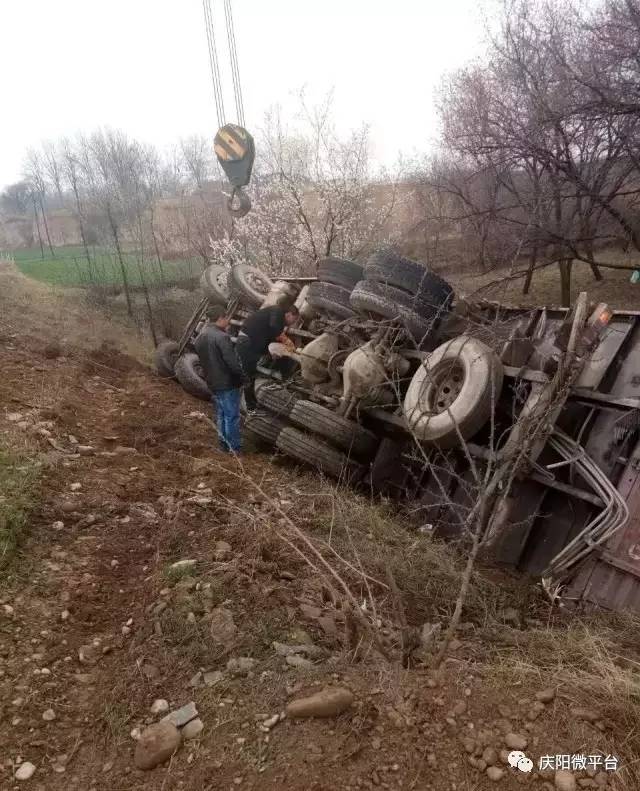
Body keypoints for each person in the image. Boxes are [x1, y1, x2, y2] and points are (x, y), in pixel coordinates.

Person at [194, 304, 244, 454]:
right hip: (227, 382)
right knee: (232, 416)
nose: (228, 321)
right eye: (227, 318)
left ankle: (223, 445)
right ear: (220, 318)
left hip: (212, 382)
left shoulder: (200, 337)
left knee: (221, 415)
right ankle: (234, 449)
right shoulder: (222, 337)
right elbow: (232, 363)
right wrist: (242, 377)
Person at [236, 304, 299, 410]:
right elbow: (274, 329)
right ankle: (250, 406)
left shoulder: (275, 316)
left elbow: (270, 335)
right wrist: (288, 342)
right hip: (247, 342)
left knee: (250, 374)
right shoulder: (277, 311)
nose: (294, 322)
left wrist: (272, 351)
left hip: (250, 343)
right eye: (295, 319)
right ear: (289, 314)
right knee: (248, 375)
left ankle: (252, 405)